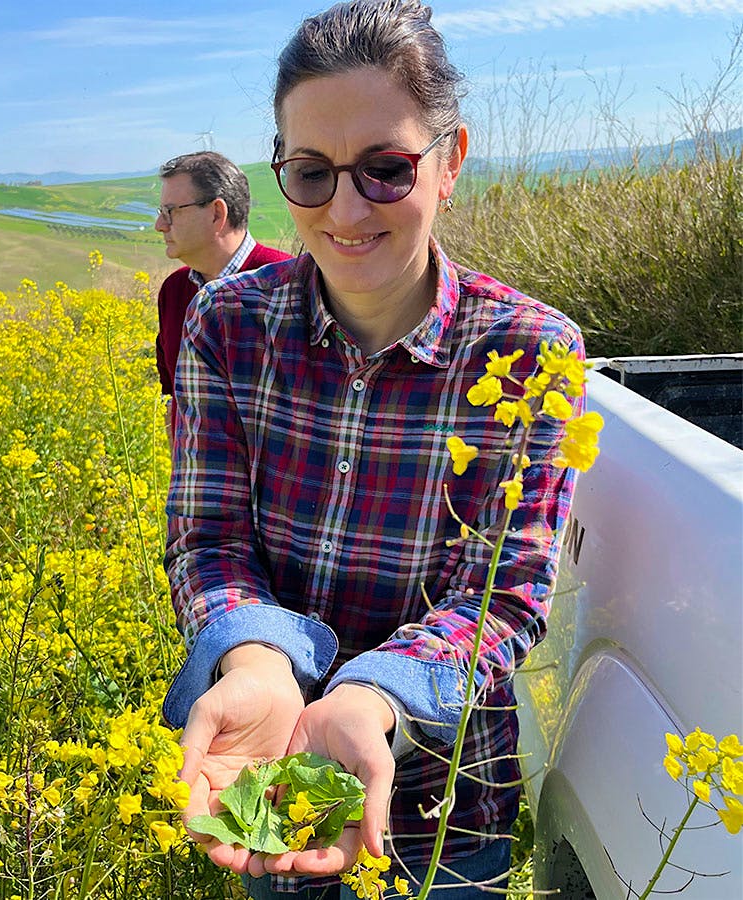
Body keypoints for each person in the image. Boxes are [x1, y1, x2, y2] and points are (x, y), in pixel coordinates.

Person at [161, 1, 585, 897]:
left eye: (387, 169)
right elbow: (210, 540)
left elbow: (505, 595)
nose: (346, 209)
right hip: (270, 784)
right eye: (311, 173)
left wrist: (373, 696)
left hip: (445, 815)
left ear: (451, 162)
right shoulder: (226, 326)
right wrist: (260, 662)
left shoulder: (530, 355)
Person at [153, 151, 291, 438]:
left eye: (171, 212)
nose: (160, 225)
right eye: (160, 213)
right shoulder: (174, 290)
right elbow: (175, 401)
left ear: (217, 213)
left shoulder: (289, 282)